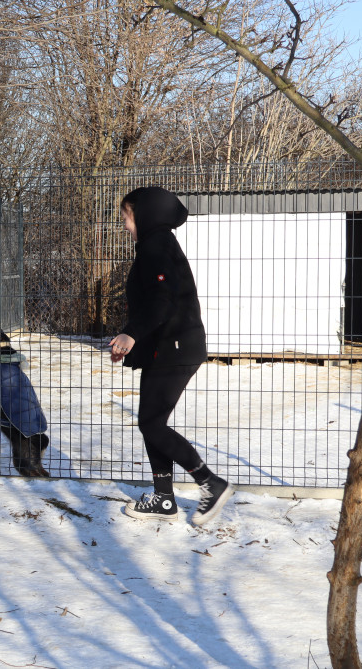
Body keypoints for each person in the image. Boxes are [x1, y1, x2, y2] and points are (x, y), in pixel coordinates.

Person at [109, 186, 233, 526]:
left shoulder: (156, 245)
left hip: (175, 348)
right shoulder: (156, 245)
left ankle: (210, 483)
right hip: (166, 347)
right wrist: (131, 338)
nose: (124, 225)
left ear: (143, 215)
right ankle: (163, 497)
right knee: (152, 423)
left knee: (151, 423)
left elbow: (162, 301)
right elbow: (154, 303)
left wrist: (131, 334)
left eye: (126, 217)